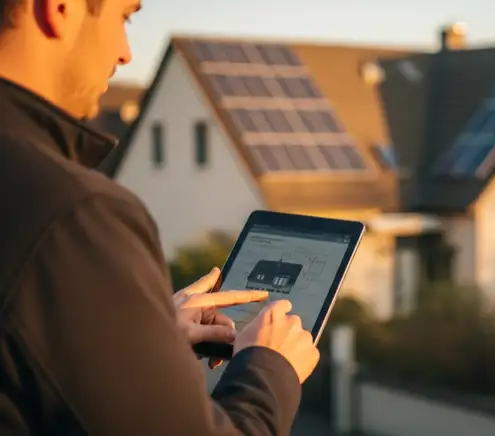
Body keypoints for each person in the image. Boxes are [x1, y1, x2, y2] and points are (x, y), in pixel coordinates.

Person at [0, 0, 320, 434]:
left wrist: (131, 339)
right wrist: (269, 369)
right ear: (59, 8)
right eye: (123, 17)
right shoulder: (71, 214)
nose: (125, 52)